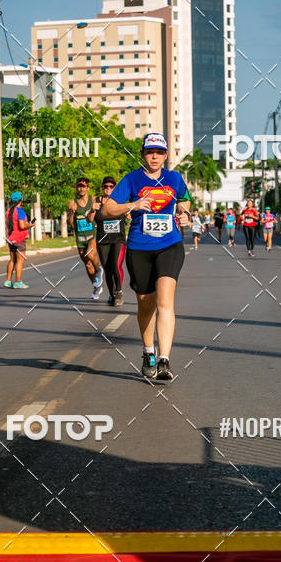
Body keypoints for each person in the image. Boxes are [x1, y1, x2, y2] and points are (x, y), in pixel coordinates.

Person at [102, 132, 191, 381]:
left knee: (165, 301)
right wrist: (134, 205)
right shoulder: (131, 180)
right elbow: (107, 208)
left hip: (169, 245)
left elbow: (184, 201)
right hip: (139, 247)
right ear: (142, 154)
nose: (154, 156)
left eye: (159, 152)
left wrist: (185, 215)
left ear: (165, 155)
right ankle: (148, 351)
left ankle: (164, 360)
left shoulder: (174, 178)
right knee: (145, 303)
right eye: (150, 151)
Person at [91, 176, 127, 306]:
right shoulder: (97, 202)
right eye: (106, 186)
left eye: (111, 186)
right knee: (107, 268)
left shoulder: (120, 201)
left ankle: (119, 291)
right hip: (103, 240)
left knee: (116, 266)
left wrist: (129, 213)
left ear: (115, 188)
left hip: (118, 239)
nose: (108, 189)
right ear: (102, 188)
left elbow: (129, 215)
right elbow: (90, 220)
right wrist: (92, 210)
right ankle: (112, 294)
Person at [68, 178, 104, 300]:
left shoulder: (94, 199)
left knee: (90, 254)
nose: (81, 189)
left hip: (92, 235)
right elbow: (70, 223)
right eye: (79, 186)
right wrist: (72, 213)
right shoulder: (73, 202)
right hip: (80, 237)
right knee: (88, 265)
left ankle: (99, 270)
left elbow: (102, 214)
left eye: (83, 186)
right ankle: (96, 287)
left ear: (88, 188)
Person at [4, 191, 35, 289]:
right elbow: (22, 226)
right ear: (21, 200)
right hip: (20, 239)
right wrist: (30, 225)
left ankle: (8, 281)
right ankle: (18, 282)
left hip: (11, 239)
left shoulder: (8, 211)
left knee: (12, 260)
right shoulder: (20, 211)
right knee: (20, 261)